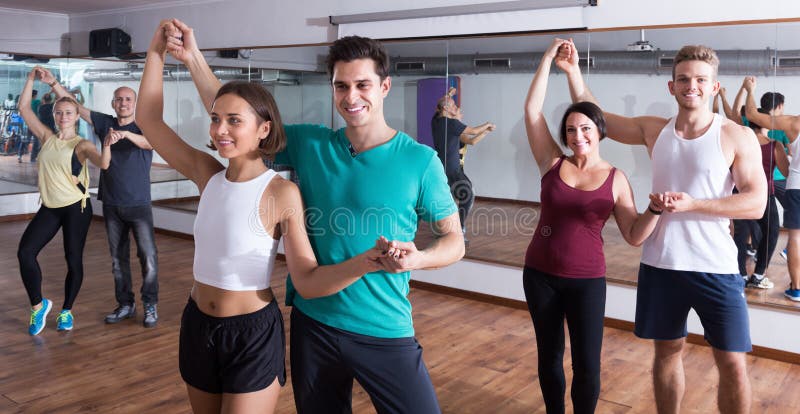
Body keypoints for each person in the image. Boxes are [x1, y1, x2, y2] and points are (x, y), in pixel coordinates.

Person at [166, 18, 464, 414]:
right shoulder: (310, 143)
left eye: (363, 85)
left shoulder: (421, 161)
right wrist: (193, 58)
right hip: (314, 325)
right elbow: (238, 115)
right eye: (341, 86)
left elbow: (455, 241)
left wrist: (420, 258)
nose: (351, 96)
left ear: (385, 87)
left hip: (384, 327)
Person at [138, 20, 392, 413]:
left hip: (252, 334)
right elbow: (149, 121)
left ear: (264, 129)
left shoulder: (281, 192)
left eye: (234, 121)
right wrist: (155, 52)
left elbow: (305, 279)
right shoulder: (207, 173)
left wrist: (364, 263)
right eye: (215, 118)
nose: (220, 129)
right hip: (197, 326)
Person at [563, 41, 766, 413]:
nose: (693, 86)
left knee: (733, 364)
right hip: (662, 265)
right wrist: (574, 71)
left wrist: (695, 204)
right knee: (667, 353)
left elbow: (756, 203)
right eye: (684, 79)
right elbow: (598, 117)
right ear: (671, 87)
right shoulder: (653, 130)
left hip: (716, 268)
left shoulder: (736, 135)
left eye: (702, 80)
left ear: (714, 87)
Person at [522, 38, 662, 414]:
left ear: (599, 131)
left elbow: (634, 236)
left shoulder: (615, 179)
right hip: (539, 275)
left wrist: (655, 211)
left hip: (586, 281)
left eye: (585, 128)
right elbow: (531, 110)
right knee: (549, 358)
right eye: (570, 130)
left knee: (586, 364)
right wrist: (548, 60)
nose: (577, 136)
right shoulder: (552, 162)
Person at [40, 67, 160, 328]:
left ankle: (150, 305)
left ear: (135, 103)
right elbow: (75, 107)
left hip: (139, 204)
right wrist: (53, 84)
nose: (123, 103)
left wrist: (126, 135)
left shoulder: (144, 127)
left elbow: (152, 143)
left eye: (128, 99)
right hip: (112, 204)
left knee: (148, 258)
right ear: (113, 103)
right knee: (118, 261)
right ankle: (126, 304)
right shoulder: (106, 122)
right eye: (119, 99)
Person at [17, 67, 112, 335]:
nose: (62, 117)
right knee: (25, 253)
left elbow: (103, 164)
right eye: (59, 112)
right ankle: (39, 306)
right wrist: (30, 79)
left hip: (76, 208)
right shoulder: (47, 138)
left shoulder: (81, 145)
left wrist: (107, 144)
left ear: (76, 117)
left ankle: (67, 311)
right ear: (54, 114)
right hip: (50, 207)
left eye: (68, 113)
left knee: (73, 260)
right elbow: (24, 108)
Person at [744, 76, 800, 302]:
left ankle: (797, 288)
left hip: (797, 187)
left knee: (795, 238)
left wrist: (749, 90)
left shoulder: (795, 123)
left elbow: (752, 115)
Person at [431, 86, 495, 242]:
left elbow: (471, 140)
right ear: (446, 109)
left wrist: (449, 95)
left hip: (442, 169)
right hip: (452, 169)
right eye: (454, 106)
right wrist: (487, 125)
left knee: (452, 199)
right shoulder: (452, 124)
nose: (458, 108)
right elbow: (472, 132)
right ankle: (459, 228)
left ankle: (447, 229)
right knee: (468, 194)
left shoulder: (437, 122)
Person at [17, 89, 39, 162]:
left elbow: (20, 113)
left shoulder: (25, 102)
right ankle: (32, 158)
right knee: (36, 141)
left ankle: (19, 156)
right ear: (35, 95)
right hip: (34, 124)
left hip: (26, 124)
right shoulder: (37, 102)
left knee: (24, 140)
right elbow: (46, 100)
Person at [32, 92, 55, 162]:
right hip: (51, 128)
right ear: (50, 100)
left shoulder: (40, 107)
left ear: (44, 100)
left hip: (42, 128)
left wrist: (48, 93)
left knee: (42, 144)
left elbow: (43, 100)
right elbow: (55, 100)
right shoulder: (52, 106)